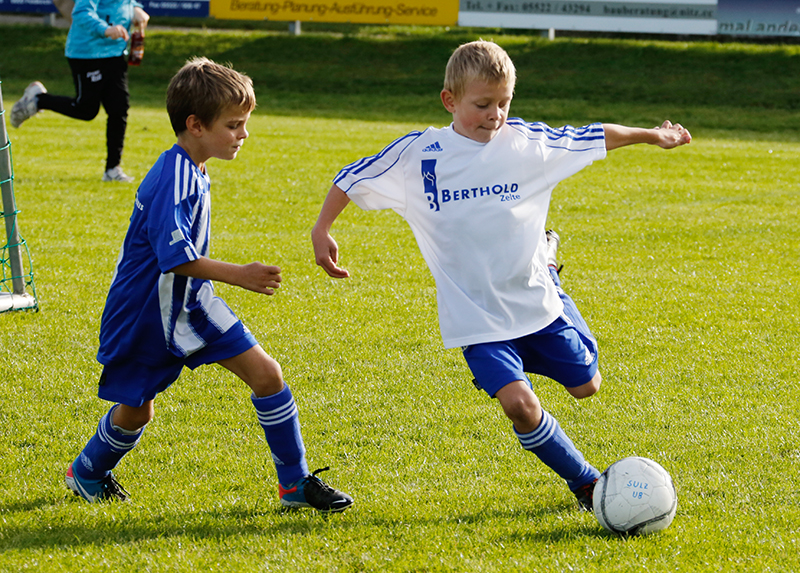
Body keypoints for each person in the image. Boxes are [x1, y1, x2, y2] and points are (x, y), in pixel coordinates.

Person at [311, 40, 691, 511]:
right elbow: (351, 177)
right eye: (483, 104)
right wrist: (322, 228)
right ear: (449, 100)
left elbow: (596, 136)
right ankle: (586, 484)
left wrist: (653, 135)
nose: (495, 115)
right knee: (520, 406)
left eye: (504, 103)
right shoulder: (418, 155)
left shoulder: (528, 144)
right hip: (476, 320)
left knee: (586, 386)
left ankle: (550, 273)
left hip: (535, 302)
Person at [65, 57, 354, 513]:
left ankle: (294, 484)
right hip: (146, 314)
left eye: (244, 123)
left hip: (194, 305)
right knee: (137, 410)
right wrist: (241, 274)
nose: (243, 134)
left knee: (267, 375)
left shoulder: (193, 167)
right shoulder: (173, 177)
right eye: (233, 125)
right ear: (195, 125)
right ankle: (87, 470)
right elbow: (174, 258)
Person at [10, 0, 149, 182]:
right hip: (88, 53)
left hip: (115, 52)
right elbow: (81, 12)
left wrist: (135, 8)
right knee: (86, 110)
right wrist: (106, 29)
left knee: (119, 108)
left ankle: (112, 170)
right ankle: (38, 99)